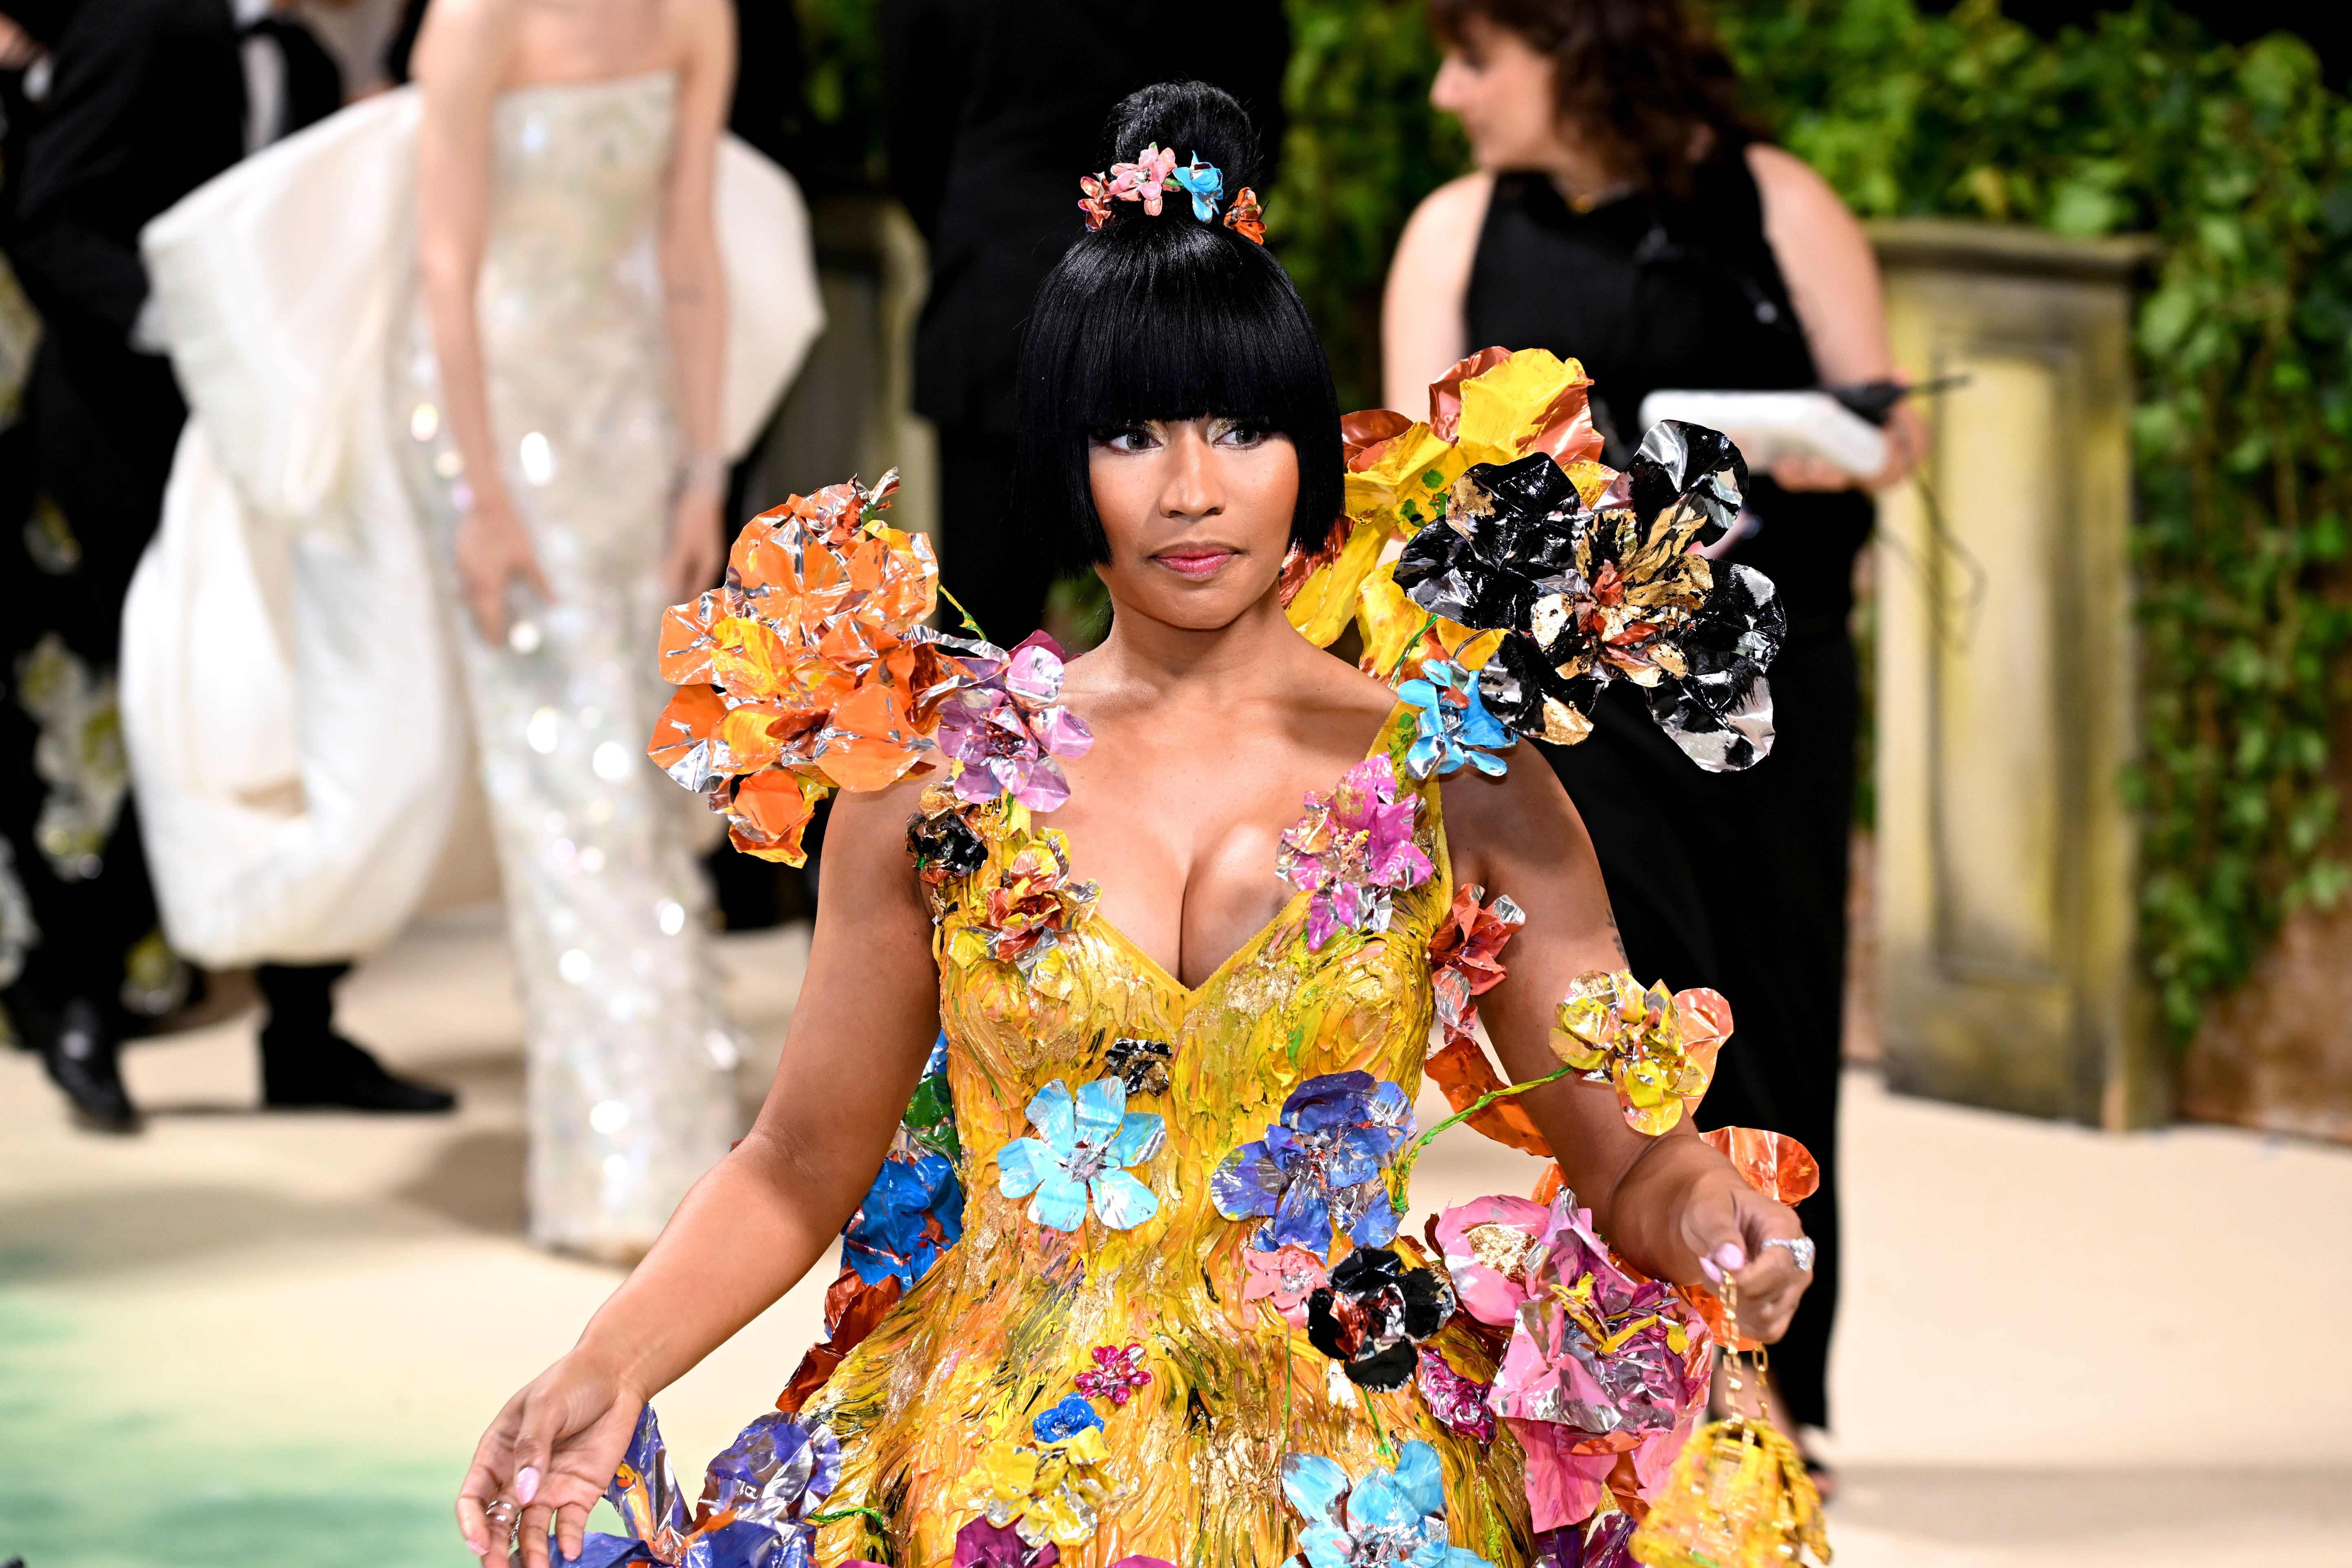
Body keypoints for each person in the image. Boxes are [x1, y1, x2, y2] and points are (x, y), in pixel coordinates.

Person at [455, 82, 1814, 1568]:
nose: (1189, 489)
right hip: (1001, 1477)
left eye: (1239, 427)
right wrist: (611, 1357)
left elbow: (1628, 1160)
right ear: (1062, 460)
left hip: (1358, 1487)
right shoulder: (933, 782)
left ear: (1307, 451)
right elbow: (795, 1161)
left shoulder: (1458, 776)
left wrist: (1709, 1214)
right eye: (1129, 433)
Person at [1381, 0, 1927, 1468]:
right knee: (1620, 1039)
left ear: (1577, 50)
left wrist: (1760, 443)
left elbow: (1887, 435)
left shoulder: (1772, 202)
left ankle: (1777, 1391)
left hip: (1769, 691)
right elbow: (1408, 493)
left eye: (1477, 57)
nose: (1448, 94)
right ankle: (1633, 1392)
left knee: (1775, 1014)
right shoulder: (1455, 231)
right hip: (1569, 710)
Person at [4, 0, 451, 1129]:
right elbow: (49, 223)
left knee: (314, 726)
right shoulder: (139, 28)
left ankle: (301, 1028)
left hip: (280, 456)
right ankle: (84, 998)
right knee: (183, 725)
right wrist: (199, 333)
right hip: (126, 439)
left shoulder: (299, 57)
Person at [882, 0, 1290, 649]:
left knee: (985, 635)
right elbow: (1248, 115)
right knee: (1190, 610)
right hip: (1165, 286)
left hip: (996, 287)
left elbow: (913, 129)